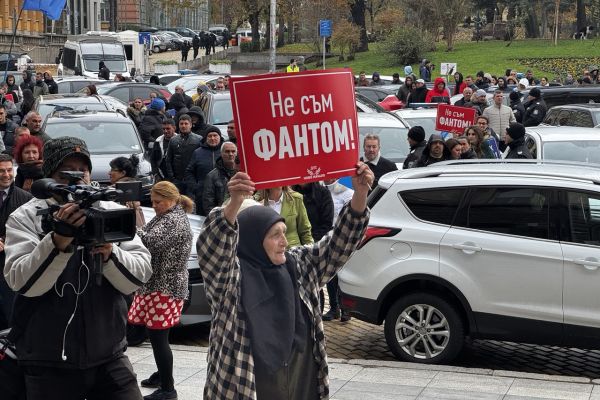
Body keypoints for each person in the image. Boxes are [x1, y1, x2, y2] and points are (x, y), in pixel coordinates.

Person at [196, 163, 372, 400]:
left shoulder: (297, 266)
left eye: (284, 232)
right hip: (248, 385)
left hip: (300, 380)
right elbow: (213, 249)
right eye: (274, 235)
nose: (284, 242)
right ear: (252, 239)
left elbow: (338, 246)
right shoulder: (230, 280)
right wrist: (234, 202)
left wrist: (360, 195)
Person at [4, 137, 152, 400]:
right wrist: (57, 241)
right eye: (65, 173)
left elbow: (140, 275)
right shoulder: (26, 217)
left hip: (108, 354)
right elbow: (21, 282)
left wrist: (110, 253)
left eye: (82, 170)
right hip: (47, 360)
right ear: (48, 176)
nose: (76, 179)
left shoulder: (110, 212)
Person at [128, 181, 193, 400]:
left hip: (166, 288)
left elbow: (149, 241)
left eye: (158, 202)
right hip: (156, 286)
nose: (154, 206)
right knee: (154, 333)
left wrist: (126, 224)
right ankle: (161, 373)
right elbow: (146, 232)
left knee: (158, 337)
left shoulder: (174, 220)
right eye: (153, 202)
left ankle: (168, 389)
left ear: (172, 200)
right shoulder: (166, 215)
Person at [0, 154, 32, 329]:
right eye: (1, 171)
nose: (6, 175)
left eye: (9, 170)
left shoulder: (25, 198)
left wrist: (6, 240)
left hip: (12, 264)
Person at [184, 128, 223, 215]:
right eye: (210, 136)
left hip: (222, 194)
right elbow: (189, 171)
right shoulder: (198, 153)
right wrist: (195, 187)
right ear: (206, 138)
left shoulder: (225, 151)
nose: (212, 138)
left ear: (220, 137)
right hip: (202, 195)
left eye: (215, 135)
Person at [165, 115, 202, 194]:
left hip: (193, 179)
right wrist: (172, 177)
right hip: (177, 179)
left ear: (191, 125)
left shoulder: (199, 139)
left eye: (186, 123)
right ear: (178, 125)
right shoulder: (173, 140)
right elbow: (168, 160)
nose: (183, 126)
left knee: (191, 203)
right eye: (181, 124)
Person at [108, 154, 145, 228]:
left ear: (123, 173)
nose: (109, 173)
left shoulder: (114, 191)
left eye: (112, 169)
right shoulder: (133, 188)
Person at [202, 141, 237, 214]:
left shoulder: (242, 173)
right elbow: (208, 203)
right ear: (221, 154)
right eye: (227, 151)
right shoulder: (212, 176)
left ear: (236, 153)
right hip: (222, 215)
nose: (230, 154)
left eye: (233, 151)